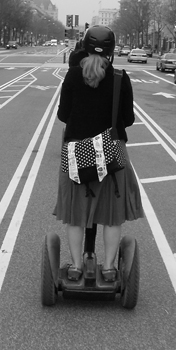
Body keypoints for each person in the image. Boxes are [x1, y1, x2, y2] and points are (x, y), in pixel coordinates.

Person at [54, 25, 144, 282]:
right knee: (112, 218)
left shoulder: (72, 75)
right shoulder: (119, 77)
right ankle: (108, 268)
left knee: (75, 216)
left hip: (76, 156)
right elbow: (127, 119)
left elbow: (63, 115)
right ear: (112, 51)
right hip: (112, 157)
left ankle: (75, 266)